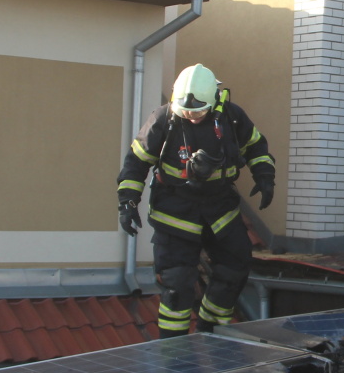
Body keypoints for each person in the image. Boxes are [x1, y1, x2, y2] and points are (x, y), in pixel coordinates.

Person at [117, 63, 275, 337]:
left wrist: (264, 176)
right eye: (185, 110)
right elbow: (136, 163)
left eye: (198, 111)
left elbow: (255, 146)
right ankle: (173, 347)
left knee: (234, 271)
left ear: (214, 101)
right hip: (175, 213)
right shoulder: (162, 120)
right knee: (177, 284)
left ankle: (212, 331)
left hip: (221, 211)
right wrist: (128, 202)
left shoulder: (232, 118)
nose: (191, 116)